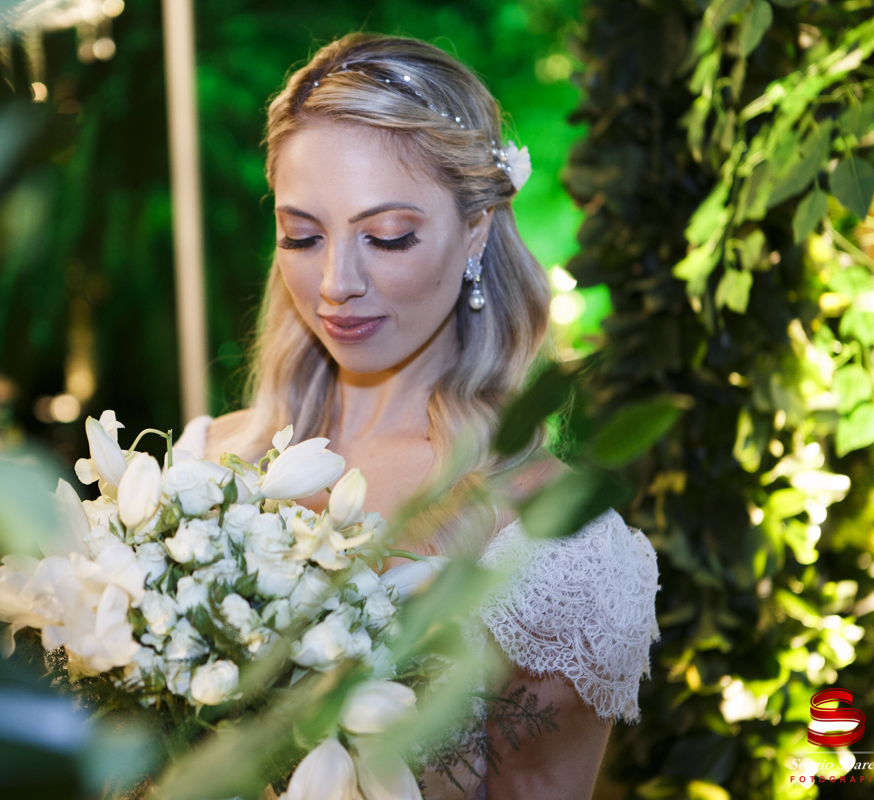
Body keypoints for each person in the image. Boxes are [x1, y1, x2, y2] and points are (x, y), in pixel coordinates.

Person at [173, 32, 659, 800]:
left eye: (387, 237)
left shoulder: (552, 543)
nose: (336, 283)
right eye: (303, 236)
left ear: (477, 228)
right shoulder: (200, 466)